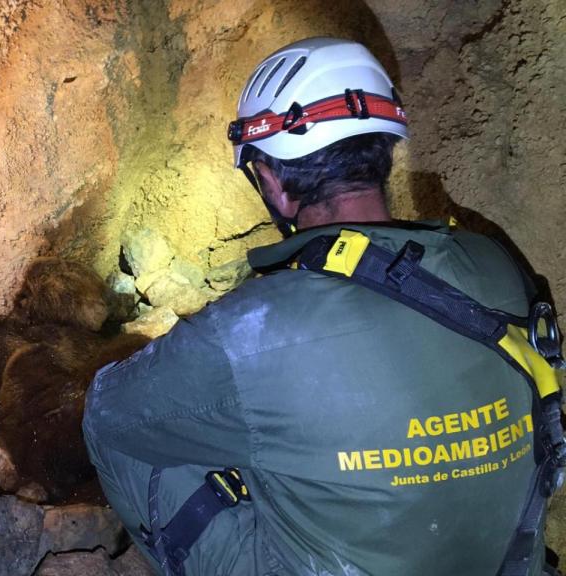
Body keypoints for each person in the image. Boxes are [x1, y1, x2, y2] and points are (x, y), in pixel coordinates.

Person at [83, 37, 565, 576]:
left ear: (273, 184)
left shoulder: (251, 330)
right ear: (381, 155)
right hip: (505, 563)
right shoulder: (496, 266)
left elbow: (111, 412)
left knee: (120, 430)